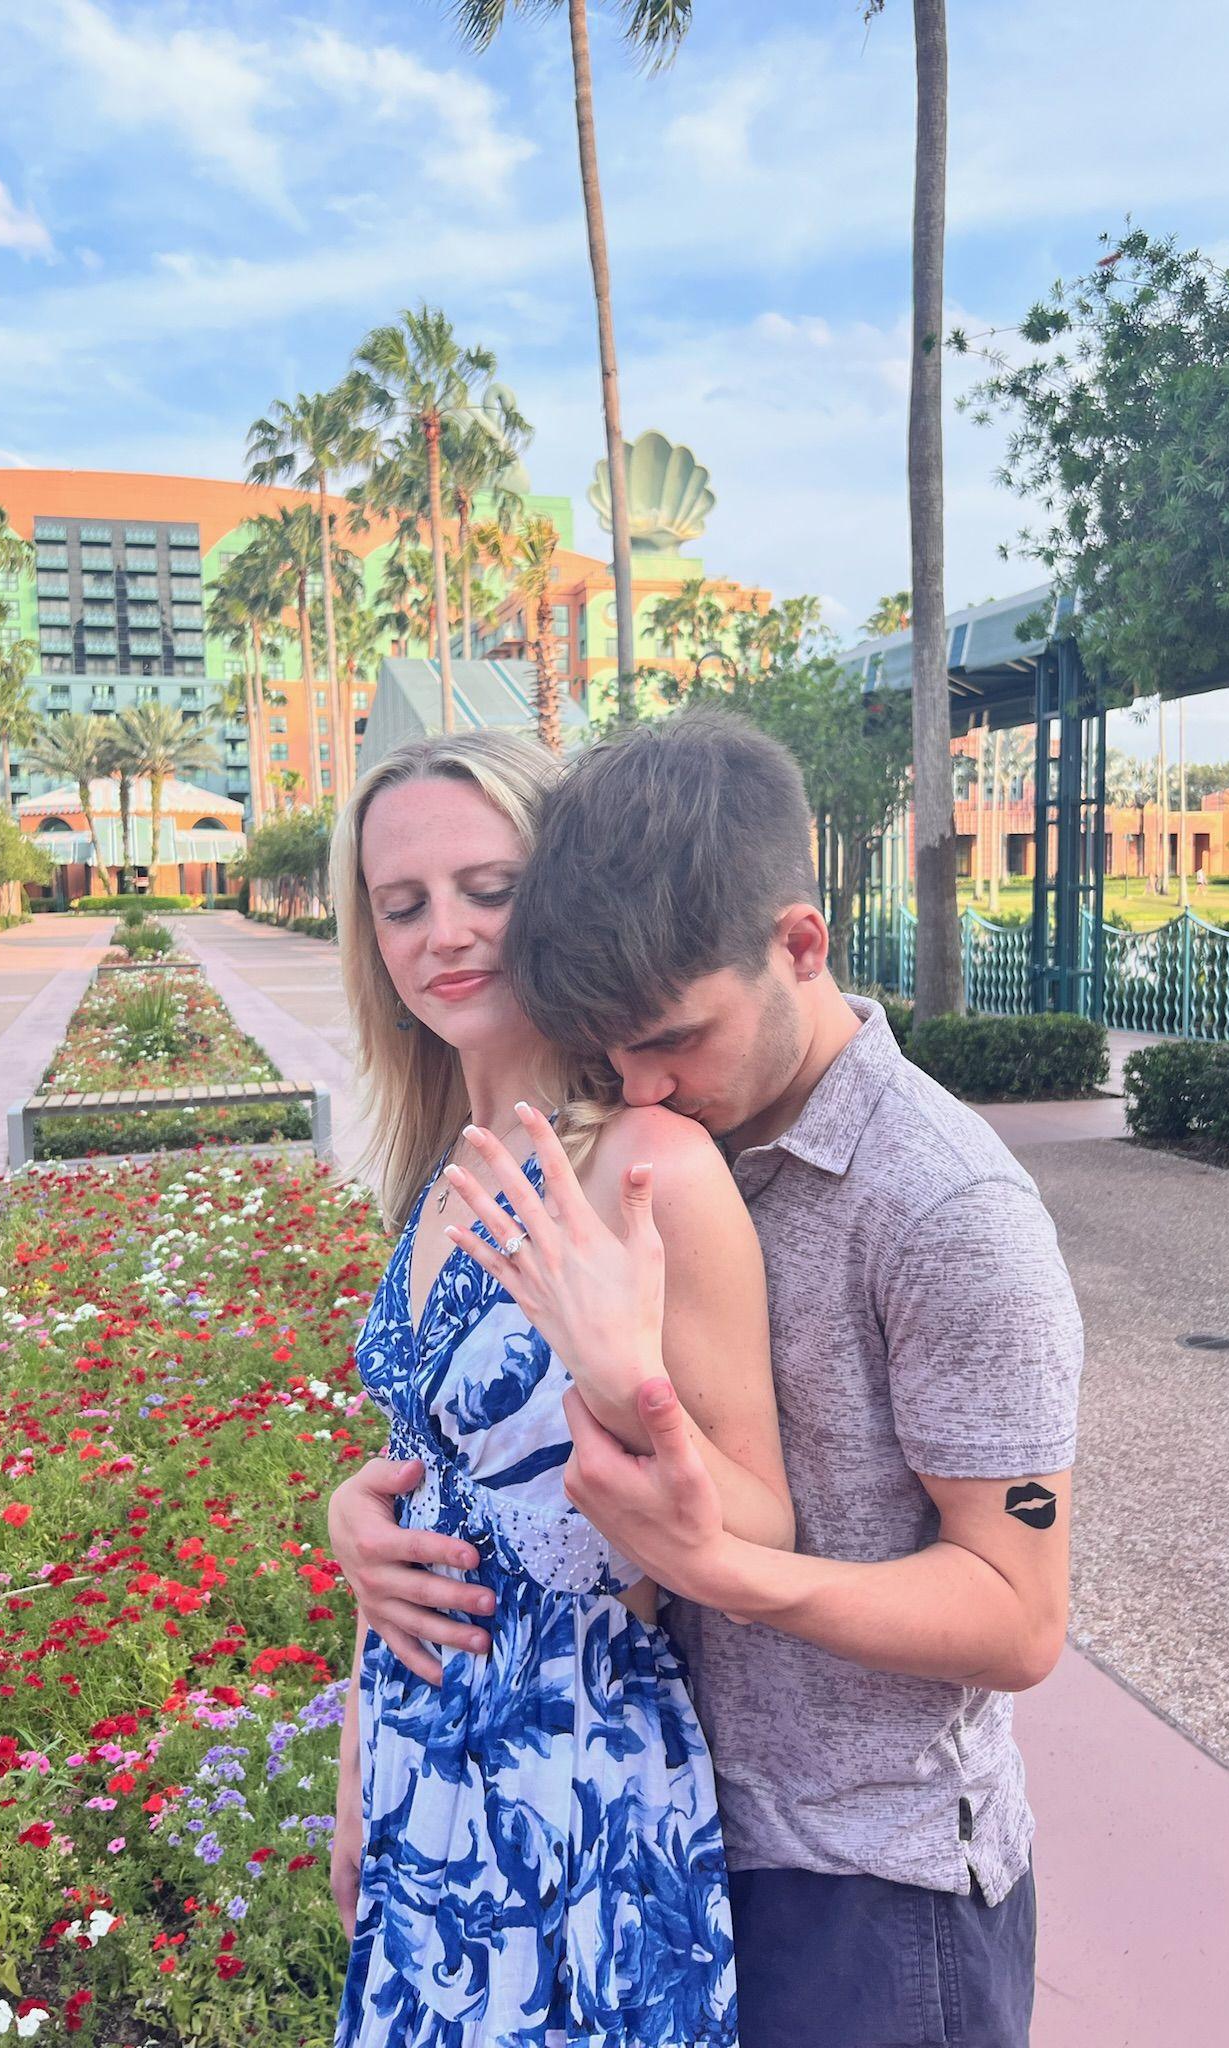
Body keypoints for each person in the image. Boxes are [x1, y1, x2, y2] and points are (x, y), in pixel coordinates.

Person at [331, 709, 1084, 2048]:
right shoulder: (641, 1130)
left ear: (802, 947)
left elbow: (1019, 1613)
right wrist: (369, 1525)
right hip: (659, 1817)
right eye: (402, 905)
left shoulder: (947, 1207)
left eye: (490, 892)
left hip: (864, 1873)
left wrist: (718, 1555)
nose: (646, 1082)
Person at [324, 729, 796, 2048]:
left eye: (490, 888)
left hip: (577, 1788)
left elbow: (763, 1527)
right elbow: (423, 1491)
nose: (445, 933)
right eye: (401, 905)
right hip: (420, 1781)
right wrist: (358, 1767)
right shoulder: (440, 1172)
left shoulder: (647, 1168)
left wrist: (625, 1384)